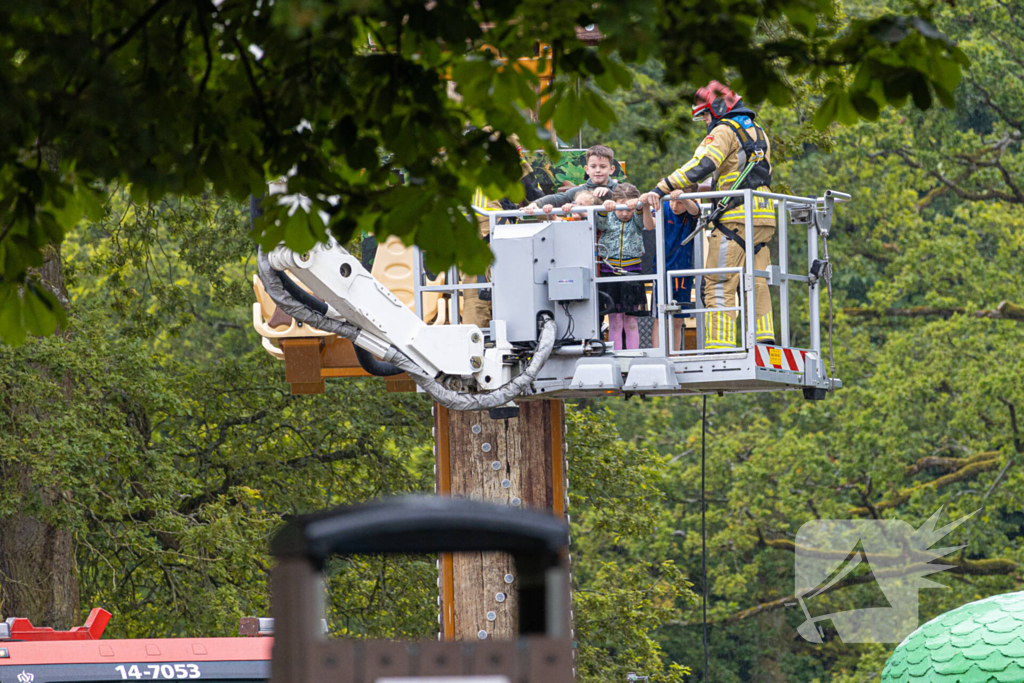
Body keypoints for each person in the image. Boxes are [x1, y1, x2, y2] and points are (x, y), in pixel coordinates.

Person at [640, 81, 777, 349]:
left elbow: (702, 164)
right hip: (762, 216)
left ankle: (720, 344)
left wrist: (662, 187)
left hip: (734, 220)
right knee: (756, 280)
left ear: (716, 108)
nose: (704, 121)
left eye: (704, 114)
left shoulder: (725, 130)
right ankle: (764, 338)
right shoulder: (758, 132)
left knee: (717, 283)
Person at [642, 189, 701, 350]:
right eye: (672, 200)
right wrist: (646, 205)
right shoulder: (663, 206)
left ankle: (675, 356)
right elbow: (649, 226)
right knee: (659, 317)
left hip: (684, 271)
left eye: (680, 202)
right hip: (662, 271)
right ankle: (658, 355)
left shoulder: (691, 211)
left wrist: (684, 197)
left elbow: (695, 210)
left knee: (678, 319)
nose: (675, 205)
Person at [596, 183, 647, 350]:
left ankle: (632, 358)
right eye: (620, 208)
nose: (625, 213)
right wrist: (605, 208)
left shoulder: (637, 218)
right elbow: (599, 224)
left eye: (629, 209)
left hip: (631, 273)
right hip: (609, 272)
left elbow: (644, 222)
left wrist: (639, 206)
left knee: (631, 321)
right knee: (615, 321)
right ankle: (616, 359)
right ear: (614, 203)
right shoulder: (608, 215)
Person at [525, 145, 619, 214]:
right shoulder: (580, 190)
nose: (598, 170)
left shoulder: (619, 189)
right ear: (587, 170)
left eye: (603, 167)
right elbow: (559, 198)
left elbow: (629, 200)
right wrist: (536, 203)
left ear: (611, 170)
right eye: (593, 166)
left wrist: (609, 194)